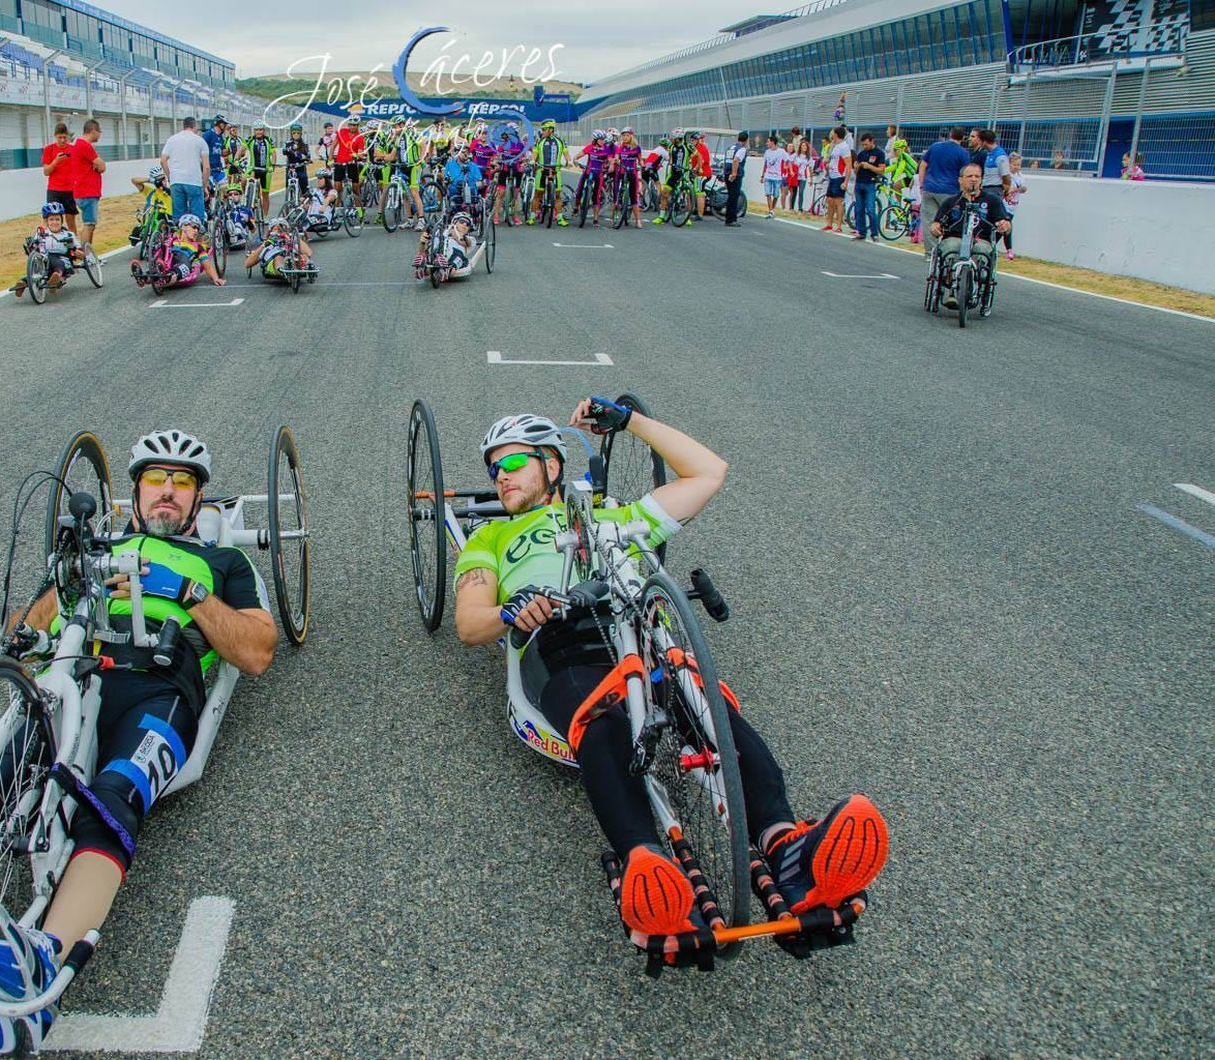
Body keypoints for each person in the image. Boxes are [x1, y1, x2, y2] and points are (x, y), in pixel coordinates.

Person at [0, 430, 274, 1050]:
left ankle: (42, 962)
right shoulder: (94, 548)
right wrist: (60, 586)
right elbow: (18, 635)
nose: (167, 493)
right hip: (66, 676)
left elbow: (256, 652)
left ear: (199, 501)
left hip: (157, 692)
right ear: (134, 494)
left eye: (183, 483)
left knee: (113, 799)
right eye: (155, 481)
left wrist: (190, 595)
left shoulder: (221, 564)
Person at [453, 401, 890, 946]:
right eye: (492, 468)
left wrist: (629, 421)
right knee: (603, 718)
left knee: (708, 706)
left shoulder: (614, 516)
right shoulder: (488, 541)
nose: (499, 476)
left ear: (552, 465)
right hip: (562, 643)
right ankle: (647, 869)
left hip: (637, 628)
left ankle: (789, 846)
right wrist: (512, 609)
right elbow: (470, 624)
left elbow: (709, 472)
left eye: (512, 462)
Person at [930, 164, 1012, 309]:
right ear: (960, 180)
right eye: (969, 176)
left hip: (981, 239)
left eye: (977, 176)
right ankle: (952, 288)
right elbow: (936, 223)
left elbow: (1004, 221)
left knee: (982, 251)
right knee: (951, 248)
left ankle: (976, 284)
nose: (973, 180)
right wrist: (935, 227)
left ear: (981, 180)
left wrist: (1004, 225)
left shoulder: (992, 201)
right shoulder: (951, 201)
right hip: (955, 238)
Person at [10, 201, 84, 298]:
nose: (54, 222)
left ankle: (56, 277)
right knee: (39, 272)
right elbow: (34, 246)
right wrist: (31, 248)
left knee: (59, 264)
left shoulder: (68, 235)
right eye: (51, 219)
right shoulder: (41, 233)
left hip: (62, 258)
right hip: (44, 258)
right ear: (47, 221)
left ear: (61, 221)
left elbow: (81, 254)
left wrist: (74, 250)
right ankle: (22, 283)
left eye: (57, 219)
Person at [918, 126, 971, 260]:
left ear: (950, 135)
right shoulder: (963, 153)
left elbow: (923, 165)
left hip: (930, 188)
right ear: (963, 138)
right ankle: (949, 251)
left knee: (929, 221)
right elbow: (965, 173)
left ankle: (930, 253)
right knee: (953, 221)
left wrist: (922, 184)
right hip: (950, 191)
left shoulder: (935, 147)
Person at [158, 116, 212, 224]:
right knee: (197, 217)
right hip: (194, 181)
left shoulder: (172, 139)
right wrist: (204, 185)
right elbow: (206, 167)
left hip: (176, 181)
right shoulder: (200, 141)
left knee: (178, 216)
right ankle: (196, 237)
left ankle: (179, 237)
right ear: (194, 126)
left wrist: (170, 177)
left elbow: (163, 160)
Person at [414, 209, 482, 280]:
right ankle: (424, 265)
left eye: (468, 224)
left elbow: (465, 242)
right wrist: (423, 242)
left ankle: (445, 268)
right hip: (438, 250)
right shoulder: (441, 232)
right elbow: (428, 245)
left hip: (456, 256)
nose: (465, 224)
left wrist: (456, 233)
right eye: (462, 221)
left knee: (458, 258)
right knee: (434, 245)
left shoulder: (470, 239)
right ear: (455, 222)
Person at [68, 119, 105, 248]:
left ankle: (89, 253)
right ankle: (85, 253)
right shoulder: (84, 145)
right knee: (89, 224)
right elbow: (101, 166)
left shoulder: (78, 145)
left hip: (84, 191)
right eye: (99, 132)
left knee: (91, 224)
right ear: (93, 130)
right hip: (87, 191)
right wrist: (98, 166)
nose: (100, 135)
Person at [528, 118, 570, 226]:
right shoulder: (539, 141)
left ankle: (560, 218)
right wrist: (532, 160)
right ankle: (532, 216)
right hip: (542, 170)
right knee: (538, 195)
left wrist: (568, 161)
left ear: (551, 129)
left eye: (544, 129)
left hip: (556, 170)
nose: (542, 132)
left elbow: (566, 153)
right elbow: (534, 153)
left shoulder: (560, 141)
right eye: (542, 129)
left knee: (557, 195)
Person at [167, 214, 227, 287]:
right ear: (184, 226)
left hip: (183, 261)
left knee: (185, 266)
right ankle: (151, 276)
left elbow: (207, 265)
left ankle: (170, 276)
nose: (196, 230)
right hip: (168, 257)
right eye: (194, 227)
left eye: (198, 229)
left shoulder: (198, 246)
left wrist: (216, 279)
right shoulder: (172, 237)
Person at [244, 218, 313, 281]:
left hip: (293, 258)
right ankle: (282, 269)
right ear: (270, 231)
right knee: (279, 258)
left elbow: (308, 253)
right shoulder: (266, 244)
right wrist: (265, 244)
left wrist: (293, 237)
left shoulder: (291, 239)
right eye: (276, 229)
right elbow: (247, 264)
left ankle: (308, 267)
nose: (280, 230)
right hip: (273, 261)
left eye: (282, 228)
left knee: (304, 256)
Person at [40, 123, 78, 233]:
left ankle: (74, 244)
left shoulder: (73, 149)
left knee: (71, 220)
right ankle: (48, 242)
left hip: (70, 190)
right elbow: (46, 172)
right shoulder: (49, 149)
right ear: (55, 136)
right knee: (52, 220)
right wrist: (56, 161)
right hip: (54, 190)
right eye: (59, 137)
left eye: (64, 137)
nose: (62, 140)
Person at [851, 131, 886, 242]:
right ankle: (861, 232)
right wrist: (857, 167)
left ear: (872, 142)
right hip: (859, 182)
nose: (864, 147)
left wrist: (869, 166)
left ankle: (874, 233)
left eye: (866, 144)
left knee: (870, 209)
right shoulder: (861, 154)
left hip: (870, 183)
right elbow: (856, 171)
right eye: (863, 145)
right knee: (859, 209)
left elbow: (881, 170)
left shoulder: (879, 153)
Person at [129, 162, 174, 243]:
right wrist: (151, 180)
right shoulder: (150, 191)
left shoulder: (171, 192)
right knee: (135, 234)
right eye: (159, 180)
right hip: (151, 220)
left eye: (163, 179)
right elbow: (134, 180)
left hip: (167, 222)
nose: (162, 182)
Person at [613, 127, 646, 228]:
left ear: (631, 136)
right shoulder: (620, 147)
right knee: (617, 193)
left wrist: (642, 165)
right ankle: (615, 216)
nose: (625, 137)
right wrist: (617, 160)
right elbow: (617, 157)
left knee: (634, 198)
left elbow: (640, 159)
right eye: (623, 135)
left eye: (627, 135)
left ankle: (637, 220)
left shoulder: (636, 147)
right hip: (621, 172)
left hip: (632, 173)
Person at [332, 115, 367, 208]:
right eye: (351, 125)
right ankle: (335, 211)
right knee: (337, 188)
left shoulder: (360, 137)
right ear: (348, 125)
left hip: (352, 164)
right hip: (340, 163)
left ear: (358, 125)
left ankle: (360, 212)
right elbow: (333, 145)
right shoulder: (342, 132)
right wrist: (330, 158)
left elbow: (361, 152)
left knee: (356, 189)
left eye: (355, 125)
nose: (352, 127)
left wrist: (358, 155)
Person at [822, 125, 851, 232]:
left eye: (833, 133)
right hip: (832, 176)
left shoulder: (844, 147)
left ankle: (839, 226)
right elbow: (834, 161)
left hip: (839, 177)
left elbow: (848, 165)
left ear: (836, 135)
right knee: (829, 200)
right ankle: (829, 223)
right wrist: (828, 165)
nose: (832, 135)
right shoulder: (835, 146)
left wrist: (845, 181)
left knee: (838, 201)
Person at [443, 145, 484, 218]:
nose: (465, 154)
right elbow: (446, 180)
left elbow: (480, 182)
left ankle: (468, 211)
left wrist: (477, 184)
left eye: (467, 153)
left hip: (471, 189)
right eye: (463, 152)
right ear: (457, 153)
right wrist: (447, 181)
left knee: (470, 188)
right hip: (455, 189)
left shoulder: (473, 166)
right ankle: (456, 211)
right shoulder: (450, 164)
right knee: (453, 188)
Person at [243, 123, 274, 217]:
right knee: (244, 180)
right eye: (257, 130)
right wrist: (236, 159)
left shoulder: (268, 140)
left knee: (265, 194)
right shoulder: (250, 139)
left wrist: (273, 165)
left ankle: (265, 216)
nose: (259, 132)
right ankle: (249, 196)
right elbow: (242, 149)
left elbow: (274, 154)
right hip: (253, 168)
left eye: (261, 130)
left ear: (263, 131)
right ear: (254, 131)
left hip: (265, 170)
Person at [1003, 152, 1027, 260]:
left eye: (1018, 165)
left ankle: (1003, 248)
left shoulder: (1020, 176)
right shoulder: (1006, 176)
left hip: (1012, 206)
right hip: (1004, 205)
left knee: (1003, 229)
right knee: (1007, 226)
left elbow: (1023, 188)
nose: (1016, 167)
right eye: (1014, 164)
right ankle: (1009, 250)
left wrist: (1018, 189)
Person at [282, 123, 312, 205]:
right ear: (291, 133)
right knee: (289, 186)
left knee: (304, 188)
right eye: (294, 133)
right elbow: (284, 151)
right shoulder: (288, 143)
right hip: (290, 168)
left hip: (301, 168)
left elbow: (308, 156)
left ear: (300, 134)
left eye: (298, 133)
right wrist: (291, 148)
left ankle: (306, 204)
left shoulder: (304, 144)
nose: (296, 135)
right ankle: (289, 203)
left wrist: (304, 158)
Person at [219, 183, 256, 249]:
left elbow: (253, 230)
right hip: (225, 234)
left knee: (236, 212)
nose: (233, 196)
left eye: (236, 194)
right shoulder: (224, 209)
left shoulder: (247, 210)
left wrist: (248, 222)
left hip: (241, 235)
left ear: (240, 196)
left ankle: (237, 230)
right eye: (230, 195)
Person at [723, 131, 748, 226]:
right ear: (746, 140)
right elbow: (736, 160)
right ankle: (731, 219)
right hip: (735, 174)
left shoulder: (730, 148)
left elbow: (726, 161)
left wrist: (725, 173)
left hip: (727, 172)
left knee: (730, 196)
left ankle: (728, 217)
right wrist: (734, 173)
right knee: (734, 197)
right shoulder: (742, 149)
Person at [203, 115, 230, 198]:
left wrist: (228, 152)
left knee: (226, 190)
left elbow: (221, 152)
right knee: (211, 193)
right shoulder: (208, 135)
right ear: (221, 125)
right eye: (225, 125)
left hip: (218, 170)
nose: (226, 128)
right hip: (209, 171)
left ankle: (224, 209)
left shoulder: (221, 137)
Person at [759, 134, 785, 219]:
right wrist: (762, 175)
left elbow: (787, 160)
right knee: (768, 193)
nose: (767, 143)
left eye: (768, 142)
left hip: (777, 176)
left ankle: (772, 209)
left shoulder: (781, 151)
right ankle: (770, 210)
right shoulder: (767, 152)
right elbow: (765, 164)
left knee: (776, 195)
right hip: (768, 175)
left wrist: (787, 169)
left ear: (773, 142)